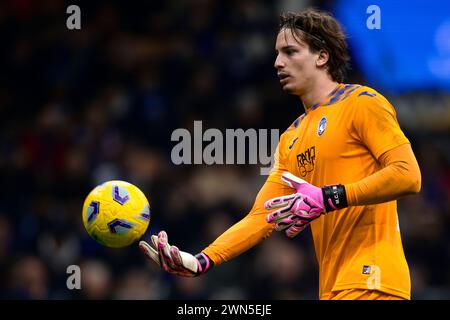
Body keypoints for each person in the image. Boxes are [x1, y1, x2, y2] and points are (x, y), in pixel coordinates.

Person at [139, 9, 421, 300]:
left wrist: (329, 197)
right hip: (334, 288)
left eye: (290, 52)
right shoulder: (291, 138)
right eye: (277, 53)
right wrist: (202, 260)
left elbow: (408, 175)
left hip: (373, 280)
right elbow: (262, 216)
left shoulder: (362, 103)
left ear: (321, 57)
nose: (277, 63)